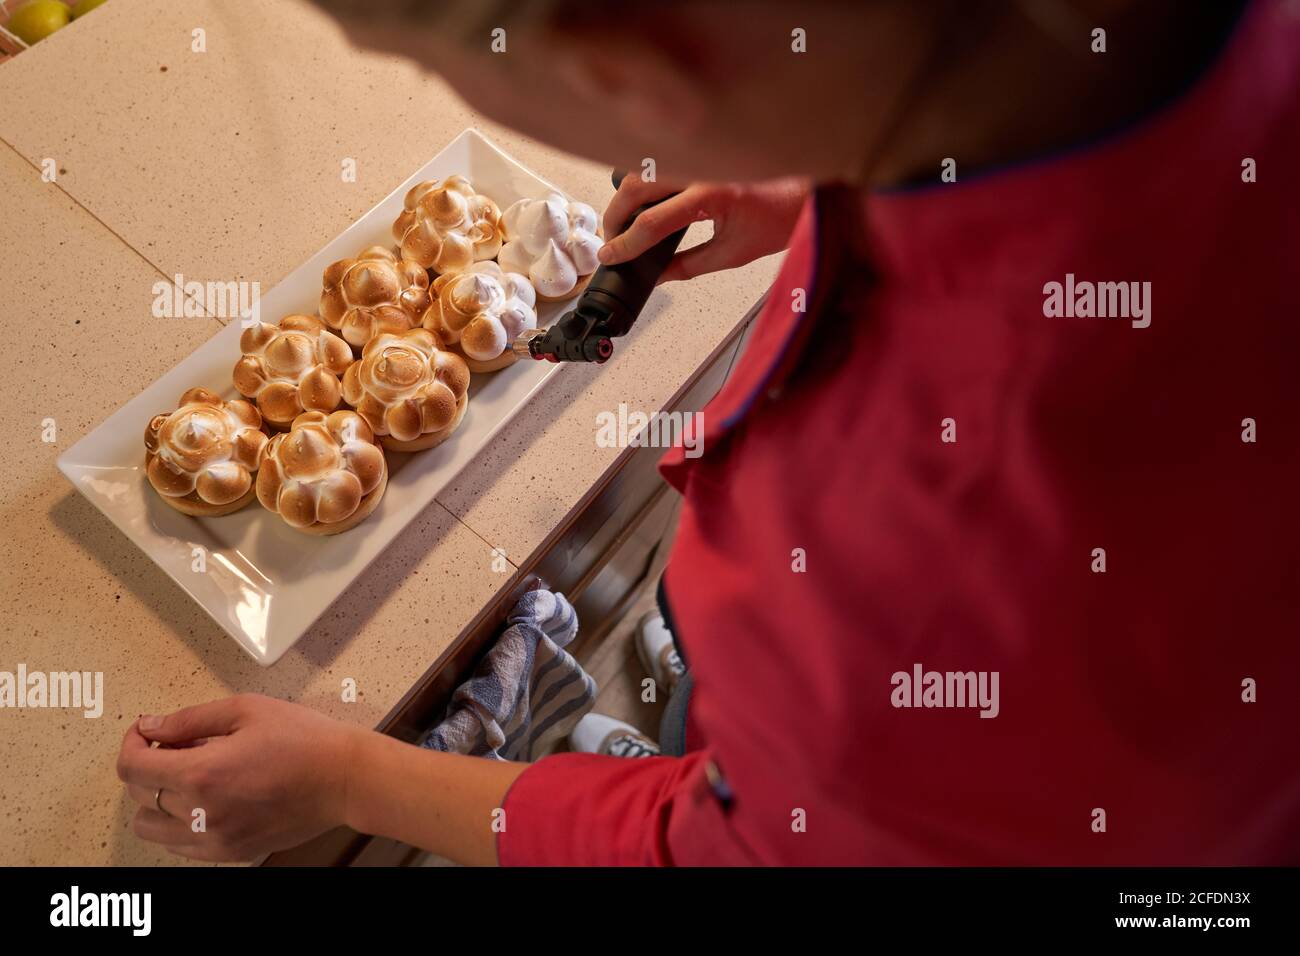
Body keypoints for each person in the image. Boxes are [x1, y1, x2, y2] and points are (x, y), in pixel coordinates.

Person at [117, 0, 1300, 865]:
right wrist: (831, 169)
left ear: (631, 81)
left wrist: (345, 775)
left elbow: (729, 848)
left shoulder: (918, 574)